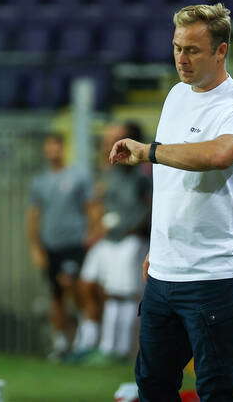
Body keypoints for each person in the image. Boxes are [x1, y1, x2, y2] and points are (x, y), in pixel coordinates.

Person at [108, 3, 233, 401]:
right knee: (153, 386)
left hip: (215, 274)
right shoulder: (176, 95)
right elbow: (171, 185)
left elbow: (219, 155)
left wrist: (149, 152)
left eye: (193, 50)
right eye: (177, 47)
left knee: (216, 390)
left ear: (220, 51)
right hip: (164, 272)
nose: (181, 58)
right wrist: (156, 249)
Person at [76, 121, 152, 364]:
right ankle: (89, 341)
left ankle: (117, 349)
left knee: (123, 293)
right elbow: (98, 203)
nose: (110, 142)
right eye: (108, 138)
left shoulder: (141, 174)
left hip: (130, 239)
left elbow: (150, 207)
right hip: (107, 239)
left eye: (116, 137)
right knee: (87, 284)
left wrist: (134, 228)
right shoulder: (107, 172)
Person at [26, 133, 96, 360]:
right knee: (56, 295)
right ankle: (60, 342)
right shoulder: (40, 181)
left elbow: (91, 207)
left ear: (63, 148)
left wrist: (91, 235)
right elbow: (34, 216)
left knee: (73, 286)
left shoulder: (78, 177)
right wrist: (36, 247)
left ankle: (84, 338)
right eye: (48, 147)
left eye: (56, 147)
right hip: (51, 244)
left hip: (74, 242)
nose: (52, 151)